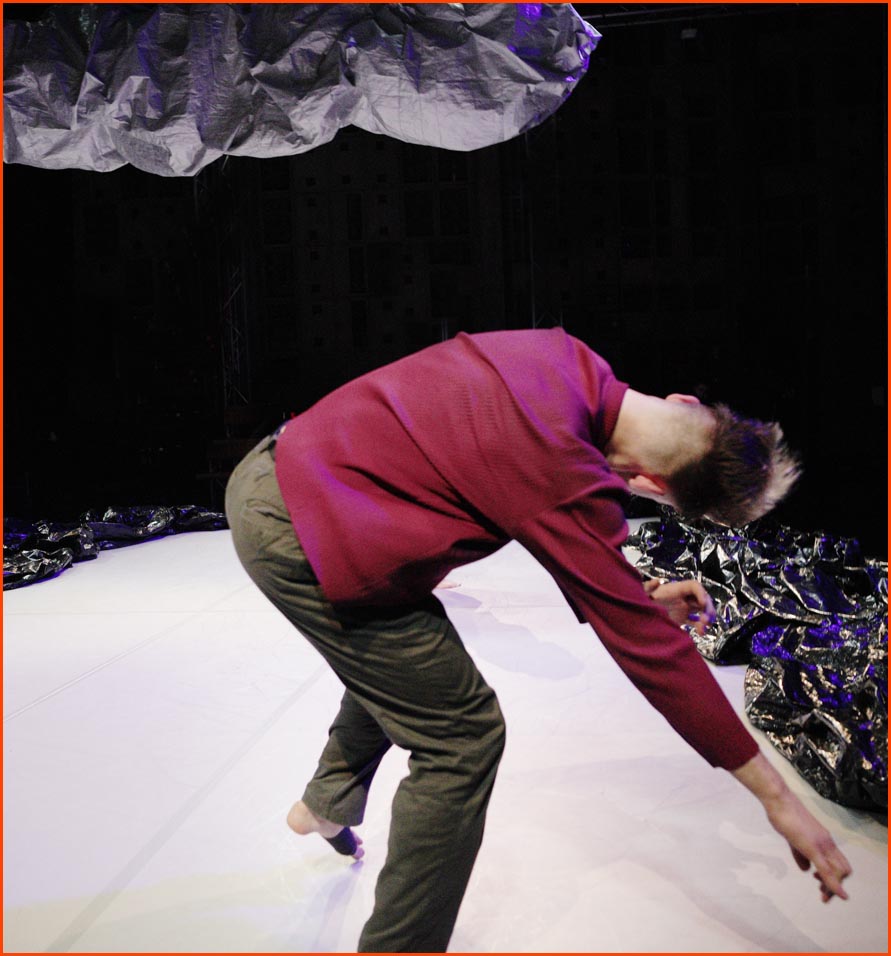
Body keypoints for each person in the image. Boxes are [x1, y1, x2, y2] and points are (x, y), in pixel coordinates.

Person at [225, 328, 851, 952]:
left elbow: (553, 500)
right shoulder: (563, 470)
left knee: (411, 660)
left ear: (682, 401)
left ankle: (327, 801)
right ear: (656, 486)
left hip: (290, 470)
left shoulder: (564, 355)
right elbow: (653, 654)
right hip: (298, 528)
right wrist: (777, 799)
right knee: (462, 736)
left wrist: (637, 594)